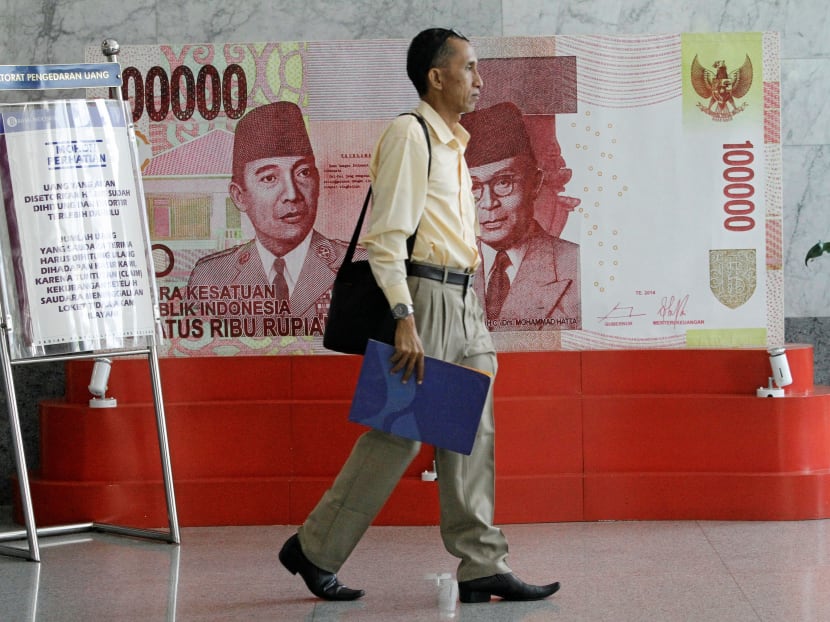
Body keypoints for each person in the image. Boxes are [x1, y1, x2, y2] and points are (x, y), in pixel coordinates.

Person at [279, 28, 560, 604]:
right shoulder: (411, 137)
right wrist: (403, 315)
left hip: (464, 300)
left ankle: (482, 563)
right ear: (437, 76)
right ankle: (313, 548)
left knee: (471, 434)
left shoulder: (455, 144)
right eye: (470, 68)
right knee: (399, 437)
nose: (479, 80)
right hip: (423, 298)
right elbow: (387, 240)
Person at [187, 101, 350, 330]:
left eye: (303, 173)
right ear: (239, 196)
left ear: (318, 182)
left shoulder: (357, 264)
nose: (292, 194)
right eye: (269, 178)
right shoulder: (212, 275)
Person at [460, 101, 581, 330]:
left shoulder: (576, 266)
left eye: (503, 182)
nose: (488, 204)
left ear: (534, 184)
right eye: (473, 188)